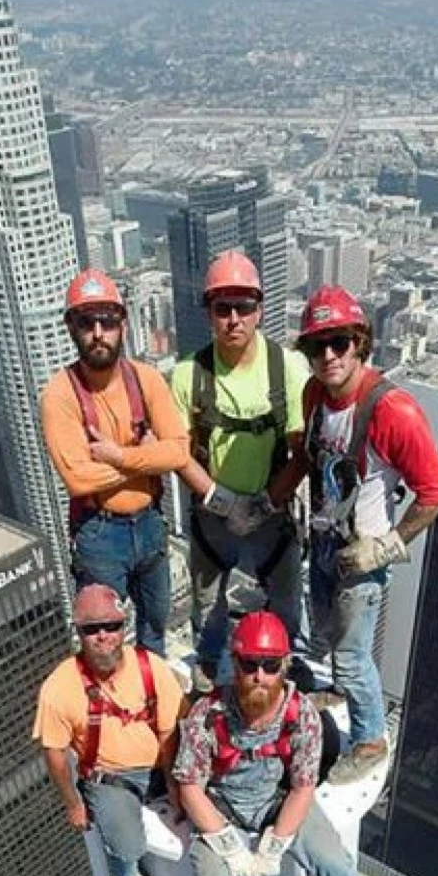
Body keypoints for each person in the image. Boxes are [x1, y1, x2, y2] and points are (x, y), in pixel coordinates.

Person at [173, 610, 387, 876]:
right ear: (235, 663)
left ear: (284, 665)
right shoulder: (209, 715)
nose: (259, 676)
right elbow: (190, 786)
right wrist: (225, 842)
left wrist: (276, 843)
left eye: (270, 666)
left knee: (333, 859)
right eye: (250, 664)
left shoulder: (300, 714)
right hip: (222, 805)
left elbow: (304, 786)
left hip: (278, 799)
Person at [293, 286, 438, 782]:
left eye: (338, 342)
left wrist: (386, 546)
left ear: (359, 341)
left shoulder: (392, 410)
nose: (328, 356)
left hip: (363, 554)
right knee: (328, 634)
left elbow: (437, 490)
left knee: (352, 655)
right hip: (325, 542)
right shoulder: (314, 395)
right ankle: (341, 694)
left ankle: (369, 740)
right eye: (317, 346)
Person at [171, 251, 309, 690]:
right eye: (222, 308)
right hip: (214, 512)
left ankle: (284, 659)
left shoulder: (286, 367)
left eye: (244, 307)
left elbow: (302, 449)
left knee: (285, 597)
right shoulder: (189, 375)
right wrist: (219, 498)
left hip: (272, 505)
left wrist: (269, 500)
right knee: (207, 600)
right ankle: (209, 662)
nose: (233, 318)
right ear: (209, 313)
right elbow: (179, 452)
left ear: (260, 309)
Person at [41, 269, 189, 653]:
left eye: (106, 320)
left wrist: (118, 455)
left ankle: (150, 701)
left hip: (151, 523)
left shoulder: (147, 380)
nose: (97, 332)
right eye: (86, 321)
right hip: (99, 533)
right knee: (102, 641)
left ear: (122, 323)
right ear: (71, 328)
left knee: (156, 624)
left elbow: (178, 451)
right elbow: (79, 479)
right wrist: (147, 457)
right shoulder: (61, 395)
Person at [34, 584, 186, 876]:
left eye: (111, 626)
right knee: (128, 844)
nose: (103, 636)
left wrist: (174, 780)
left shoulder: (149, 667)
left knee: (202, 800)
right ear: (80, 633)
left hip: (160, 763)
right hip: (111, 778)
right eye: (92, 630)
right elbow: (55, 755)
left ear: (122, 626)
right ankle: (128, 872)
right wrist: (73, 804)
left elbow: (171, 730)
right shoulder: (60, 688)